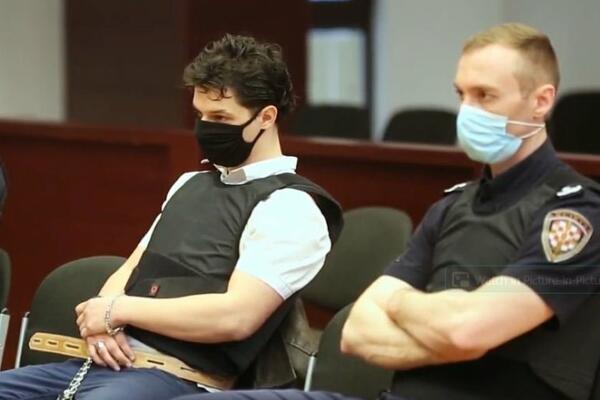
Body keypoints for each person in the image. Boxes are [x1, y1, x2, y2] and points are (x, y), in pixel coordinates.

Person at [173, 23, 600, 400]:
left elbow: (466, 332)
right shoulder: (453, 205)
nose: (468, 111)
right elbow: (358, 333)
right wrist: (446, 318)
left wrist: (403, 305)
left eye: (485, 95)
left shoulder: (575, 212)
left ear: (541, 101)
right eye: (461, 95)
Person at [0, 34, 342, 400]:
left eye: (221, 117)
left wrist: (118, 310)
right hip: (101, 365)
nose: (206, 127)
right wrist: (102, 320)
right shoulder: (189, 183)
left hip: (180, 381)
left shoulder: (291, 206)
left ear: (266, 117)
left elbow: (236, 316)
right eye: (200, 115)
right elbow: (130, 271)